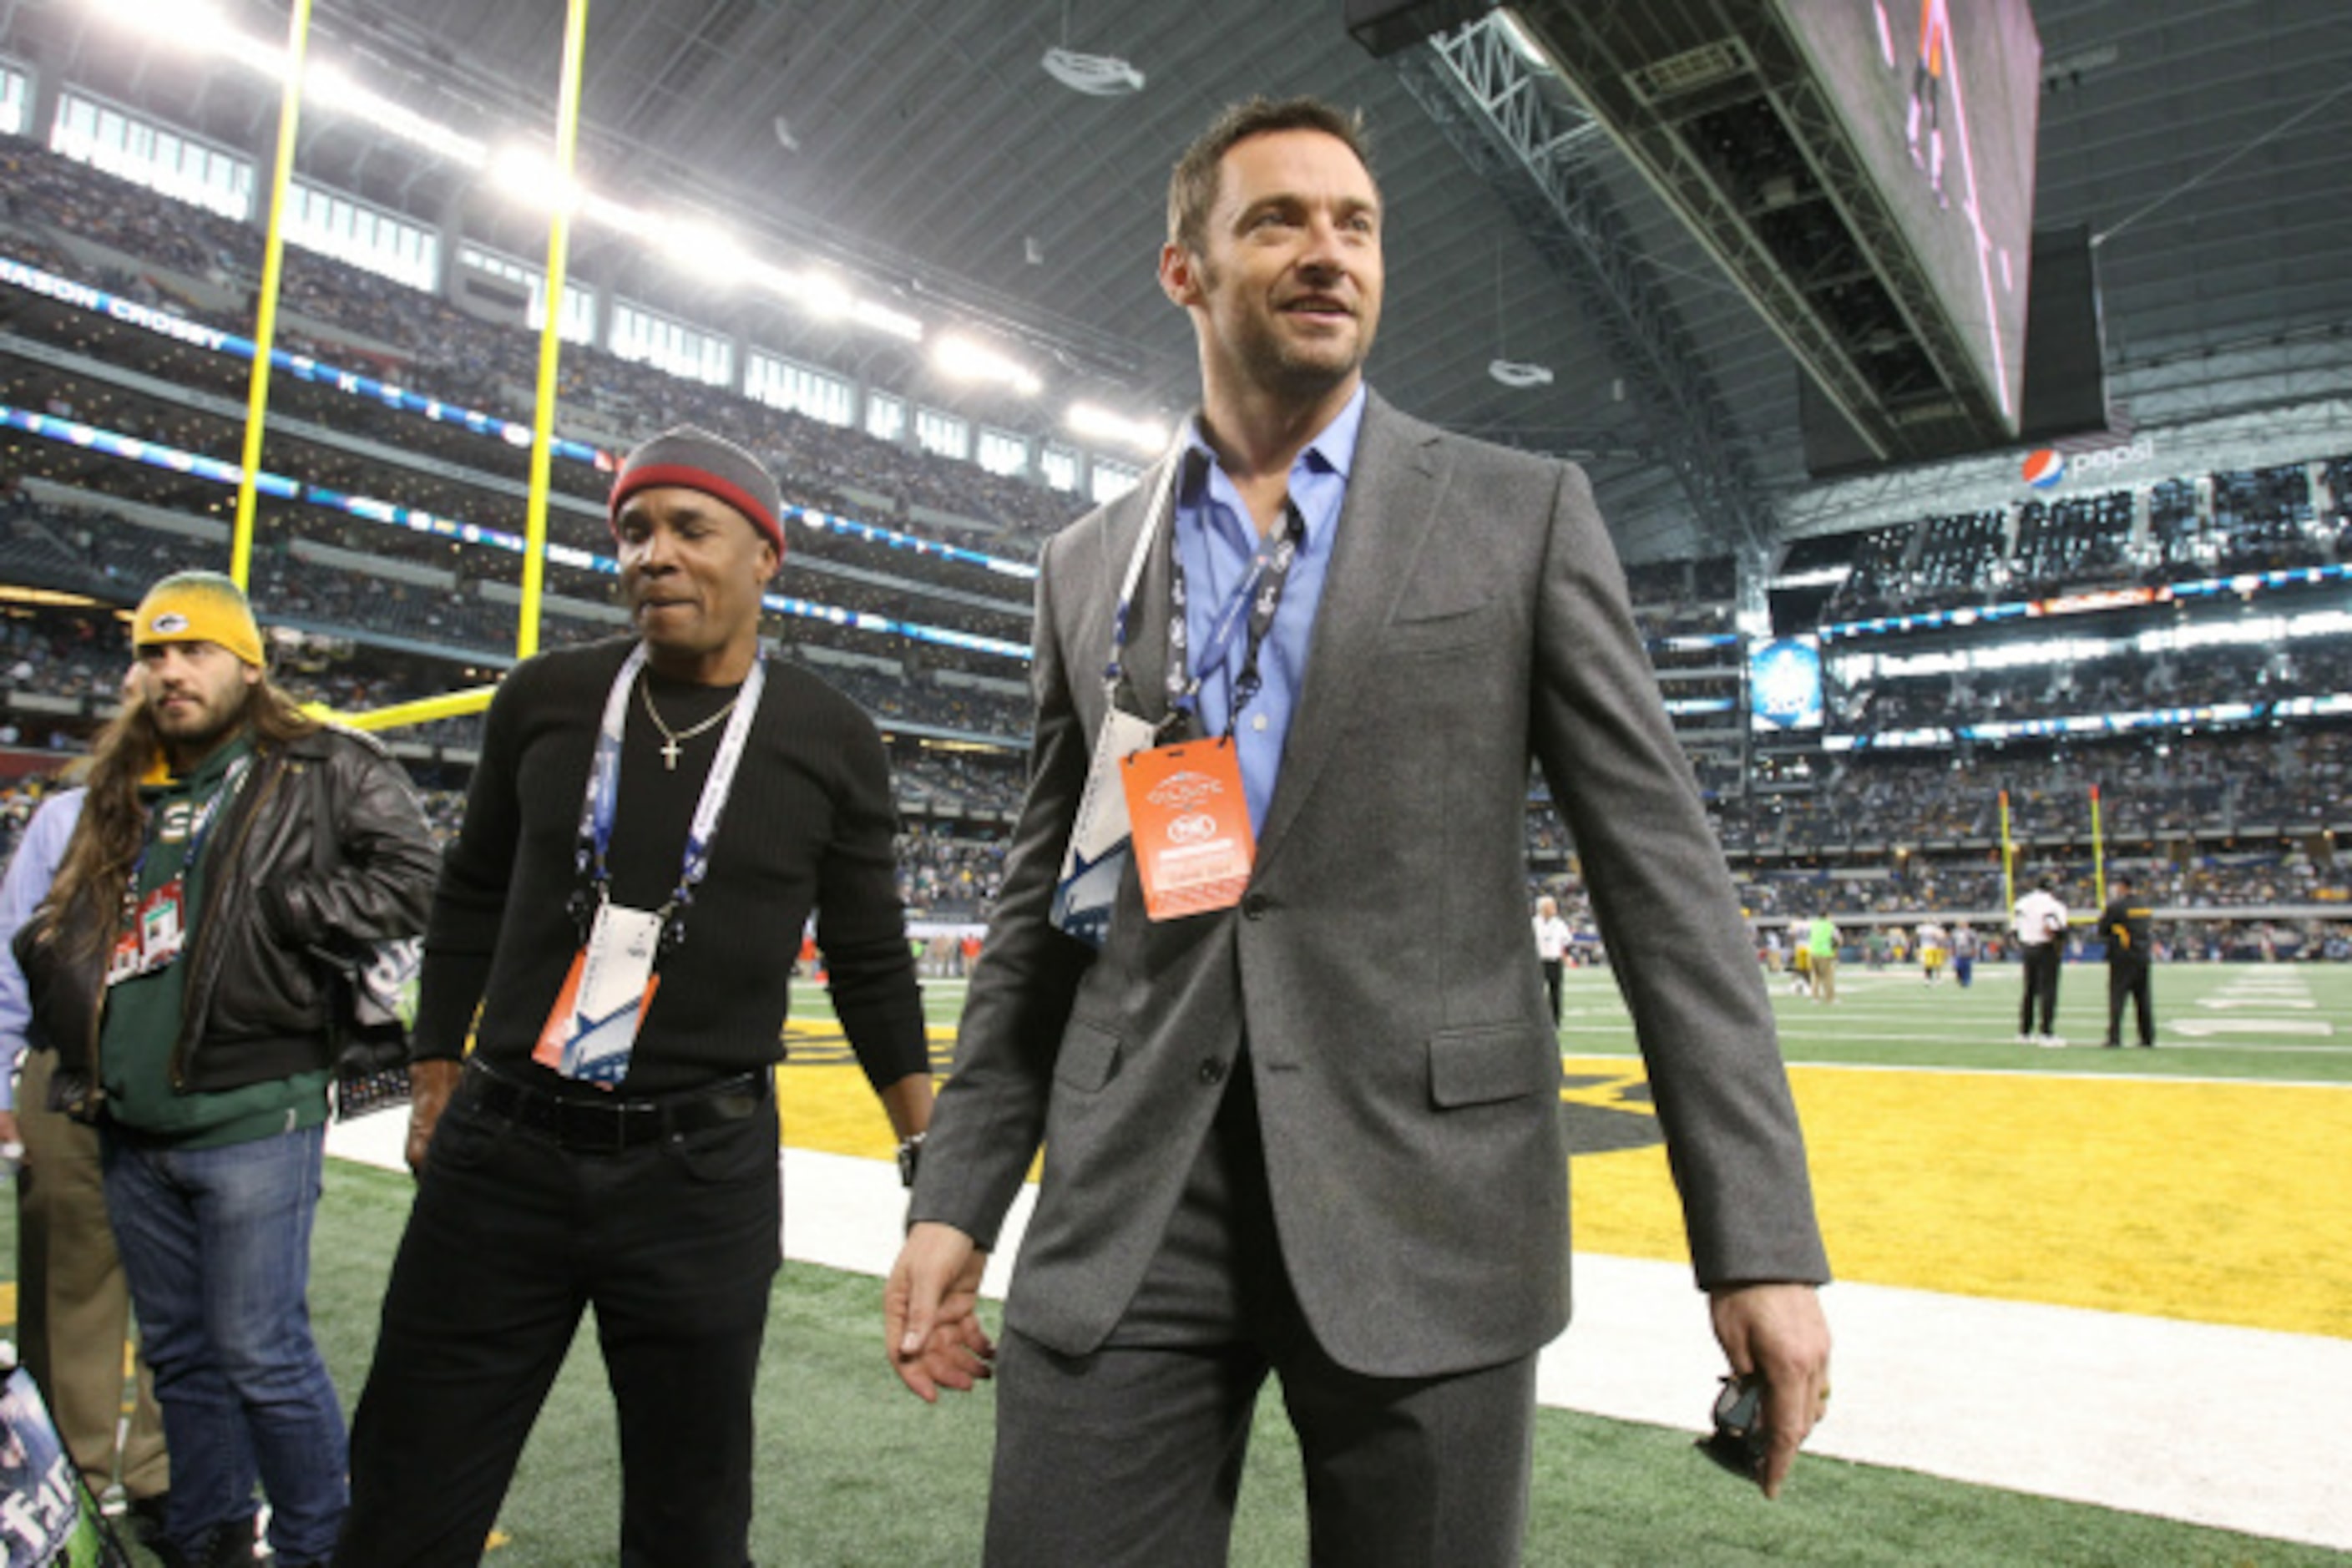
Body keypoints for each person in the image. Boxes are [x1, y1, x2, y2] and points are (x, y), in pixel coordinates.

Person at [885, 98, 1830, 1566]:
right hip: (1136, 1198)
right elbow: (1039, 920)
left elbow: (1665, 889)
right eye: (1277, 220)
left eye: (1356, 225)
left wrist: (1756, 1241)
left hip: (1425, 1201)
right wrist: (956, 1198)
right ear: (1183, 270)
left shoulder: (1518, 515)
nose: (1329, 252)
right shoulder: (1088, 565)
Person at [336, 427, 937, 1568]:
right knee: (406, 1497)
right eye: (632, 531)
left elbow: (868, 958)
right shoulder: (546, 698)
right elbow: (466, 894)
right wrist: (432, 1067)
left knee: (690, 1520)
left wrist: (925, 1148)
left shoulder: (828, 736)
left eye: (687, 529)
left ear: (766, 556)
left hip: (698, 1176)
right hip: (501, 1150)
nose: (651, 555)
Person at [12, 573, 439, 1568]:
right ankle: (205, 1541)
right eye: (154, 654)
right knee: (182, 1357)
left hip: (253, 1109)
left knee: (262, 1353)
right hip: (126, 1118)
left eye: (195, 650)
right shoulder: (123, 786)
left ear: (249, 665)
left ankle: (319, 1547)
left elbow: (417, 881)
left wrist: (280, 913)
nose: (171, 672)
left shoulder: (319, 765)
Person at [0, 781, 169, 1543]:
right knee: (68, 1288)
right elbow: (10, 951)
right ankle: (71, 1481)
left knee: (192, 1298)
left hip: (205, 1073)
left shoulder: (259, 804)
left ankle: (169, 1480)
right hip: (69, 1060)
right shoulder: (65, 817)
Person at [2097, 874, 2157, 1049]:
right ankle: (2147, 1037)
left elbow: (2102, 929)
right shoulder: (2144, 905)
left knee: (2117, 998)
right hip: (2143, 955)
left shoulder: (2117, 906)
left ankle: (2114, 1037)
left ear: (2122, 886)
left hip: (2123, 957)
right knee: (2143, 998)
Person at [2012, 875, 2069, 1045]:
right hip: (2046, 948)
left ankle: (2024, 1032)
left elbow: (2014, 929)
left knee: (2029, 990)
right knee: (2048, 991)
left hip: (2028, 948)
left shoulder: (2022, 903)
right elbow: (2055, 928)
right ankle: (2046, 1033)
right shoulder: (2054, 905)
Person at [1531, 893, 1571, 1027]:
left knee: (1556, 991)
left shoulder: (1559, 924)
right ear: (1542, 908)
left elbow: (1567, 941)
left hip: (1554, 960)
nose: (1554, 908)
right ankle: (1538, 1018)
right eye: (1551, 906)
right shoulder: (1533, 923)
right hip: (1539, 961)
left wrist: (1566, 956)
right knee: (1537, 991)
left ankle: (1556, 1020)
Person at [1806, 911, 1840, 1004]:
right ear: (1827, 916)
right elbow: (1838, 939)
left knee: (1815, 976)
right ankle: (1830, 998)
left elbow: (1808, 937)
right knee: (1828, 977)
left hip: (1813, 952)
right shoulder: (1830, 926)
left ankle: (1815, 998)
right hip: (1825, 953)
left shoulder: (1813, 925)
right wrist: (1835, 951)